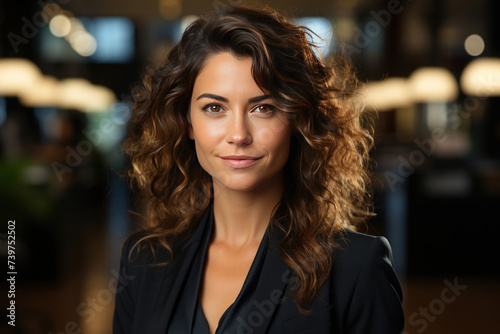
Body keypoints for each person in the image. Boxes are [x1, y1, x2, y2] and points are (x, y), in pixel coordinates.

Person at [113, 5, 404, 334]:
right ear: (187, 122)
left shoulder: (356, 269)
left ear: (296, 119)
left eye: (263, 108)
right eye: (214, 108)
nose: (238, 134)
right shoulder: (143, 260)